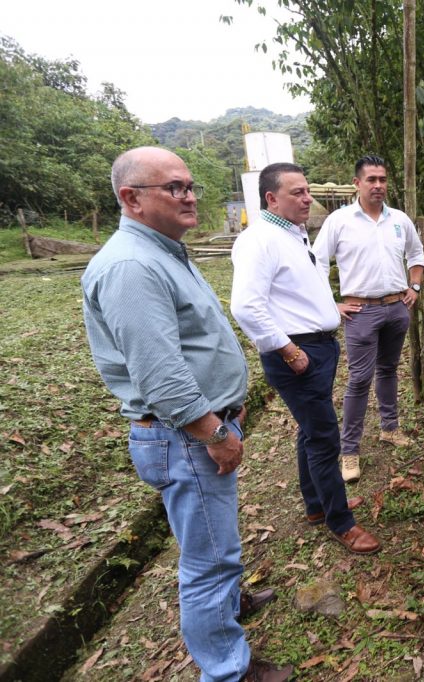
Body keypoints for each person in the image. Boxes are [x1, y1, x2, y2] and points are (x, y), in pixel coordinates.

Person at [81, 147, 292, 681]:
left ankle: (228, 606)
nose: (190, 196)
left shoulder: (165, 251)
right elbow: (158, 371)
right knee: (207, 560)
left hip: (197, 428)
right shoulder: (132, 265)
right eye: (174, 187)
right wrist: (214, 430)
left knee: (211, 539)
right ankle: (226, 669)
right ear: (131, 198)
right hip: (186, 435)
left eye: (190, 185)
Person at [230, 162, 381, 555]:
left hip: (315, 346)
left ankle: (317, 505)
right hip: (297, 353)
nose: (306, 198)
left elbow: (292, 293)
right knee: (324, 435)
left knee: (311, 431)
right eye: (296, 192)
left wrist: (328, 307)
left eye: (307, 190)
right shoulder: (259, 239)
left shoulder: (293, 236)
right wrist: (288, 349)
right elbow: (246, 306)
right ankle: (340, 521)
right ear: (271, 198)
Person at [311, 155, 424, 483]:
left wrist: (414, 286)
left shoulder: (399, 220)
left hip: (396, 307)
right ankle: (349, 450)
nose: (378, 185)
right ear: (357, 184)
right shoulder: (340, 220)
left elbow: (417, 256)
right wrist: (331, 304)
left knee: (388, 370)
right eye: (371, 179)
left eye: (382, 179)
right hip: (360, 311)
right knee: (360, 379)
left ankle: (390, 428)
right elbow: (317, 262)